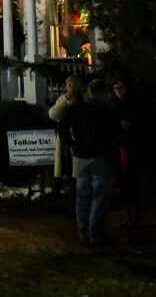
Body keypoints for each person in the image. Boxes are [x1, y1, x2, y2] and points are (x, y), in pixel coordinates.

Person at [57, 79, 122, 247]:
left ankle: (83, 233)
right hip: (100, 156)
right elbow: (117, 134)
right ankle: (96, 235)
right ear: (103, 93)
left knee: (82, 195)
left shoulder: (77, 109)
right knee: (99, 196)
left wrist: (72, 144)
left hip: (80, 156)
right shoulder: (107, 111)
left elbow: (62, 127)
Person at [112, 76, 143, 229]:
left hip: (132, 146)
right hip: (120, 147)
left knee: (133, 183)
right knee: (123, 183)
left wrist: (131, 125)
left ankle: (135, 215)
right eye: (115, 88)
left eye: (121, 88)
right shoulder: (115, 105)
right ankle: (128, 213)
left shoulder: (134, 103)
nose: (118, 91)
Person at [49, 75, 82, 208]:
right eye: (69, 85)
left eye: (74, 85)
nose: (72, 89)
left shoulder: (81, 101)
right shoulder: (63, 101)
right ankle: (72, 204)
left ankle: (78, 204)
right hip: (67, 145)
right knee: (70, 175)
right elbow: (53, 114)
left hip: (78, 143)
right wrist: (65, 100)